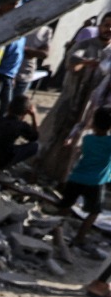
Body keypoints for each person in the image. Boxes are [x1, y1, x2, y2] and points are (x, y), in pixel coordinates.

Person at [40, 13, 111, 181]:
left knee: (79, 142)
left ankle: (65, 178)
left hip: (92, 108)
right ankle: (41, 169)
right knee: (56, 133)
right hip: (71, 99)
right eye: (106, 25)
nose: (109, 29)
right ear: (100, 26)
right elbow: (73, 63)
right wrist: (86, 63)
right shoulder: (86, 44)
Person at [54, 106, 111, 254]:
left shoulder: (87, 139)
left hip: (76, 177)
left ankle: (54, 229)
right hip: (95, 182)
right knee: (94, 212)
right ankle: (80, 237)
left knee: (65, 206)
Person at [0, 95, 39, 172]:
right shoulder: (21, 125)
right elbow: (34, 137)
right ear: (26, 112)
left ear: (9, 108)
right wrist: (34, 116)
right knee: (35, 146)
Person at [19, 22, 53, 95]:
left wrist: (25, 49)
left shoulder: (45, 30)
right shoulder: (19, 23)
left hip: (24, 73)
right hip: (6, 71)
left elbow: (44, 54)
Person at [0, 35, 25, 114]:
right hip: (1, 73)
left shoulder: (23, 39)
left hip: (10, 75)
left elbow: (19, 58)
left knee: (7, 103)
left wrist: (14, 77)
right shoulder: (9, 39)